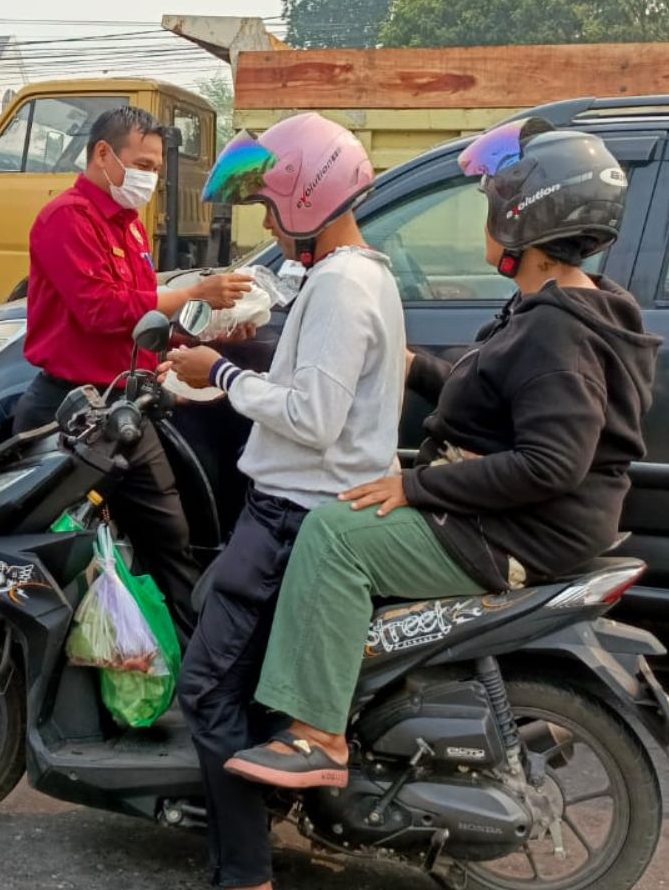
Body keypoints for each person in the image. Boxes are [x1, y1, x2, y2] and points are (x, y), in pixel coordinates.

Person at [224, 119, 661, 798]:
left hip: (523, 528)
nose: (483, 221)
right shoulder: (573, 304)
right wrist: (410, 365)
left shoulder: (555, 332)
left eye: (491, 205)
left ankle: (317, 736)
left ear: (523, 221)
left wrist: (417, 485)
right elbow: (488, 379)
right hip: (536, 518)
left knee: (335, 537)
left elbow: (550, 464)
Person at [158, 115, 404, 890]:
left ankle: (245, 874)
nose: (266, 219)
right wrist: (234, 357)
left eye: (271, 203)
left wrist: (219, 377)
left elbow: (312, 417)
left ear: (306, 195)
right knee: (242, 679)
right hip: (301, 509)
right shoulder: (364, 273)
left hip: (293, 518)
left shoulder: (339, 286)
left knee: (204, 686)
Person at [15, 106, 252, 636]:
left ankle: (195, 671)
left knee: (169, 537)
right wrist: (194, 291)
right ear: (104, 154)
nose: (149, 177)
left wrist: (206, 333)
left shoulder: (129, 228)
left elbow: (142, 319)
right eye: (142, 163)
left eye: (155, 166)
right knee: (52, 553)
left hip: (125, 409)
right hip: (70, 411)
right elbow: (102, 309)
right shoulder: (67, 219)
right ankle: (21, 677)